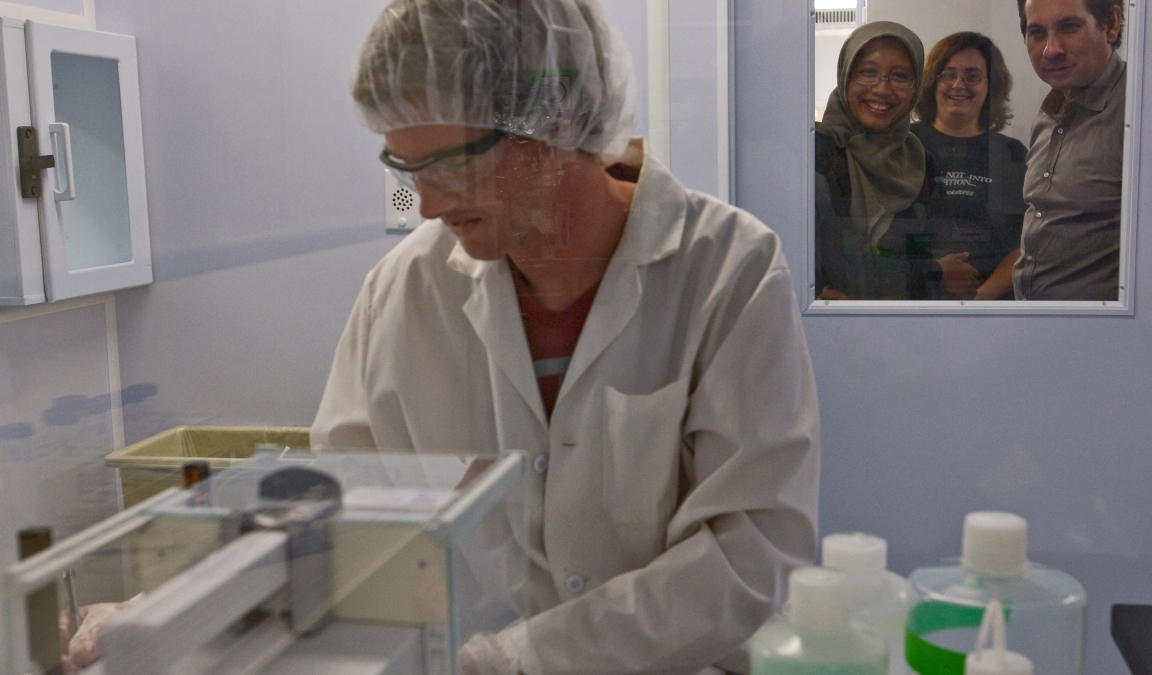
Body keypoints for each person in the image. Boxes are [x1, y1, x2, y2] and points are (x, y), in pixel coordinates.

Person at [312, 1, 820, 674]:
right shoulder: (400, 295)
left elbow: (755, 551)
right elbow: (346, 518)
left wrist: (527, 658)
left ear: (550, 119)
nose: (426, 205)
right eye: (406, 168)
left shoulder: (728, 270)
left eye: (446, 165)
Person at [814, 22, 947, 301]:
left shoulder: (920, 164)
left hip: (902, 330)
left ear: (915, 88)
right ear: (846, 75)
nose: (882, 89)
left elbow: (931, 255)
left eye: (899, 76)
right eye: (868, 72)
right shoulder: (816, 153)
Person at [1013, 0, 1126, 300]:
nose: (1051, 49)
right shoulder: (1049, 112)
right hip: (1035, 328)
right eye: (1037, 32)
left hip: (1107, 336)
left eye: (1069, 27)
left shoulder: (1140, 111)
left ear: (1111, 25)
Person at [912, 32, 1028, 301]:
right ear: (932, 81)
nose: (958, 84)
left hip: (992, 307)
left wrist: (979, 299)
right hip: (916, 302)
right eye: (948, 74)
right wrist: (935, 271)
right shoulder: (904, 145)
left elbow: (1027, 241)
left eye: (972, 76)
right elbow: (887, 234)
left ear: (991, 85)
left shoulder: (1011, 153)